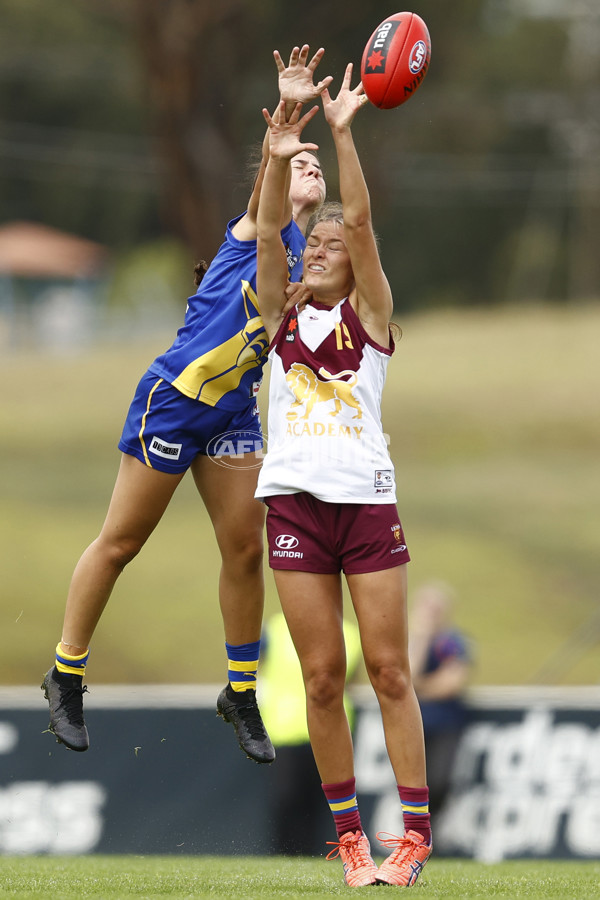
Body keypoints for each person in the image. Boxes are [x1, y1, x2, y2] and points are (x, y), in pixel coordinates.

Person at [40, 46, 331, 765]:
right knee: (122, 541)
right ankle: (66, 672)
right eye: (301, 163)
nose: (309, 168)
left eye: (313, 165)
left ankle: (239, 689)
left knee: (243, 546)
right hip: (173, 401)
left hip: (232, 410)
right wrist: (277, 147)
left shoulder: (312, 259)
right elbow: (265, 217)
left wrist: (338, 139)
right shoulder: (259, 230)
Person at [254, 66, 432, 886]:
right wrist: (276, 146)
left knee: (389, 671)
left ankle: (415, 838)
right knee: (323, 677)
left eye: (331, 247)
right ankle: (352, 841)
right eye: (312, 245)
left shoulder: (371, 315)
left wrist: (343, 130)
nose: (321, 250)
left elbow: (356, 219)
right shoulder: (279, 313)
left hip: (366, 504)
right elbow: (264, 233)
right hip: (292, 505)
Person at [259, 611, 362, 855]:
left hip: (329, 731)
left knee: (322, 800)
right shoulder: (274, 629)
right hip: (284, 728)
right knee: (287, 797)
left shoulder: (350, 634)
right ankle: (285, 854)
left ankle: (314, 854)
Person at [409, 581, 473, 821]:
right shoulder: (411, 641)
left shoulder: (452, 642)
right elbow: (407, 676)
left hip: (445, 724)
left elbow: (450, 684)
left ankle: (430, 828)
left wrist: (417, 687)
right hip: (412, 724)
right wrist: (422, 637)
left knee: (439, 780)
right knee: (411, 783)